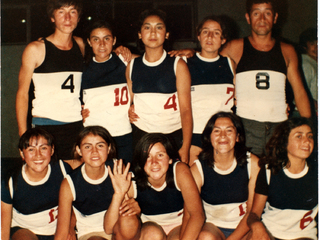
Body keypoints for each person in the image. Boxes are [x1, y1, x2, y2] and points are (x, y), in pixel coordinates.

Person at [219, 0, 311, 156]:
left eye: (267, 13)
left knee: (275, 175)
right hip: (246, 126)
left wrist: (308, 128)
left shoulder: (287, 50)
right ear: (248, 18)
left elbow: (300, 92)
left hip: (279, 126)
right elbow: (208, 61)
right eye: (256, 13)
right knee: (250, 175)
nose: (262, 18)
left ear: (275, 17)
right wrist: (190, 53)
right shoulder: (234, 47)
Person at [16, 0, 85, 167]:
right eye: (61, 11)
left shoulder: (81, 45)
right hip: (45, 127)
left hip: (75, 126)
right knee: (49, 183)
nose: (68, 17)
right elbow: (22, 95)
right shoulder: (36, 49)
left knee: (74, 182)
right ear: (52, 17)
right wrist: (23, 136)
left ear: (78, 17)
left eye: (73, 11)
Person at [127, 9, 193, 164]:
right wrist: (129, 108)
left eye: (159, 27)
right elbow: (130, 100)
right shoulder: (132, 65)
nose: (153, 32)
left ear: (167, 34)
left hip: (171, 136)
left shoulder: (178, 64)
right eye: (147, 27)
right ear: (139, 34)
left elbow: (186, 110)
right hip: (141, 135)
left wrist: (186, 147)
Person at [113, 133, 205, 239]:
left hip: (178, 225)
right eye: (147, 156)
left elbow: (197, 215)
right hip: (149, 226)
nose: (154, 162)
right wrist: (136, 213)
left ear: (170, 159)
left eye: (160, 155)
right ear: (141, 161)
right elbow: (115, 227)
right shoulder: (131, 180)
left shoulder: (180, 170)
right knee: (153, 235)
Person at [54, 126, 133, 240]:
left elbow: (131, 208)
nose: (94, 151)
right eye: (87, 147)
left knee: (130, 221)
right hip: (90, 233)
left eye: (100, 145)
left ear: (109, 148)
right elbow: (61, 232)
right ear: (79, 150)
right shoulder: (70, 183)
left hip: (118, 228)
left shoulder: (118, 169)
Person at [190, 112, 260, 239]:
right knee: (205, 237)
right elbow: (192, 213)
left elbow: (252, 212)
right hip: (213, 227)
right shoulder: (198, 169)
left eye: (229, 130)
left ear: (237, 136)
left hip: (244, 226)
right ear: (209, 137)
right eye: (216, 131)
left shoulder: (253, 163)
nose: (223, 136)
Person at [247, 117, 318, 240]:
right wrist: (257, 226)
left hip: (303, 236)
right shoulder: (269, 170)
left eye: (310, 136)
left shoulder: (316, 173)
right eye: (299, 136)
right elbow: (254, 214)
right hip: (270, 232)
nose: (307, 141)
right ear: (285, 143)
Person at [81, 20, 138, 163]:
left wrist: (190, 53)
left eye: (106, 38)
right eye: (96, 39)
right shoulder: (82, 69)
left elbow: (155, 60)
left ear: (114, 41)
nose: (101, 44)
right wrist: (77, 113)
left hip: (122, 134)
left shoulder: (124, 60)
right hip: (94, 139)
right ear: (89, 42)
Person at [1, 128, 72, 240]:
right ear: (21, 153)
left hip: (57, 228)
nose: (38, 155)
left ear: (52, 150)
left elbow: (76, 205)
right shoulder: (10, 182)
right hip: (24, 229)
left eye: (43, 148)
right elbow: (3, 231)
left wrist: (71, 227)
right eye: (31, 149)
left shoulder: (63, 169)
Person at [186, 15, 236, 165]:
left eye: (216, 33)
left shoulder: (229, 63)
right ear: (198, 36)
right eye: (205, 31)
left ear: (223, 39)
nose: (210, 36)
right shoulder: (185, 62)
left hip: (224, 136)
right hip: (195, 135)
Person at [298, 28, 317, 114]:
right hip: (305, 112)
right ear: (304, 46)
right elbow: (300, 93)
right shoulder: (306, 64)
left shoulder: (314, 63)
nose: (317, 47)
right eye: (312, 44)